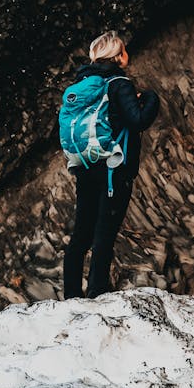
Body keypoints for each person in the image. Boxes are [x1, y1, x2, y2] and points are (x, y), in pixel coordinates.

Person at [63, 30, 159, 299]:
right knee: (104, 231)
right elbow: (137, 120)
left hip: (85, 165)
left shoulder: (82, 85)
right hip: (113, 168)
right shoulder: (118, 83)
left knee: (81, 232)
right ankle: (97, 291)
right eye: (124, 50)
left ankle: (71, 295)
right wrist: (151, 98)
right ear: (118, 55)